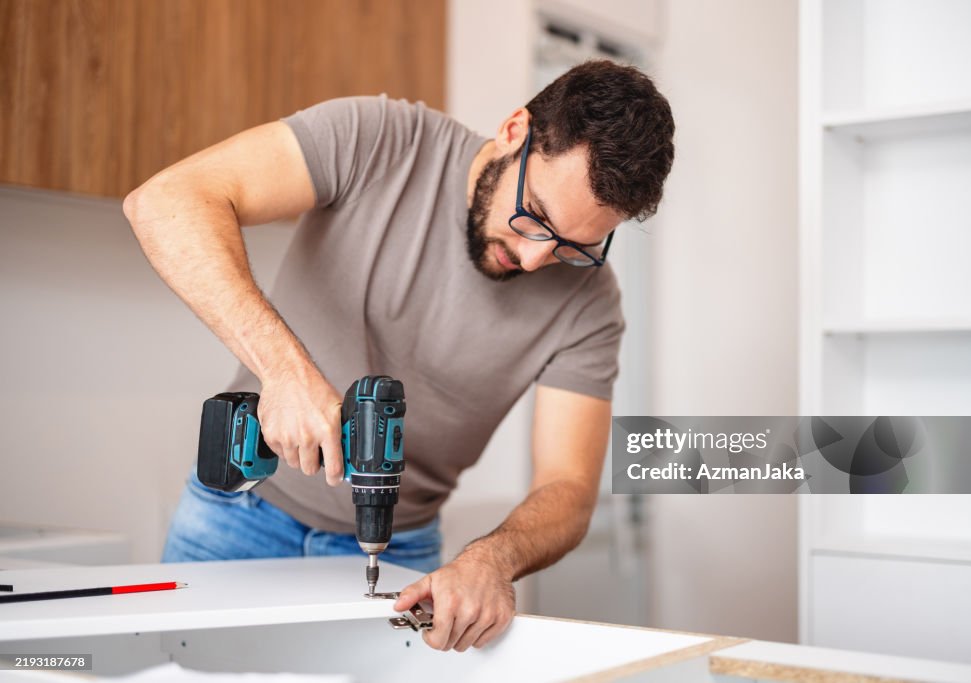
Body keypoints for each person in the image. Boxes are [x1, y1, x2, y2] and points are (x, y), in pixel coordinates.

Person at [123, 59, 674, 652]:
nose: (537, 258)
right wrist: (285, 371)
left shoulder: (590, 303)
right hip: (234, 518)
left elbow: (568, 488)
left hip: (402, 552)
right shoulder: (380, 140)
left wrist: (493, 559)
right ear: (515, 131)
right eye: (535, 216)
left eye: (575, 246)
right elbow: (164, 201)